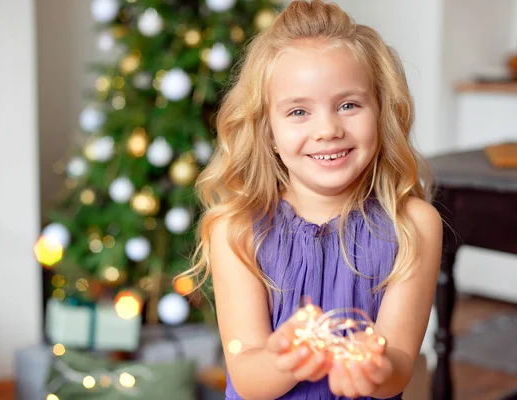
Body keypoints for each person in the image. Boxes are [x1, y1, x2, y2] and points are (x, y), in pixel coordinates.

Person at [181, 0, 442, 398]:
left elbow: (401, 365)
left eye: (349, 105)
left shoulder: (413, 225)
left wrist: (376, 366)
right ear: (267, 130)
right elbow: (248, 377)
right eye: (299, 111)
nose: (327, 129)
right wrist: (283, 360)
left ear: (381, 110)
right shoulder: (236, 230)